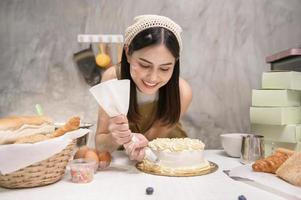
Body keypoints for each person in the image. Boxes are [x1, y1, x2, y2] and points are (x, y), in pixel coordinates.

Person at [95, 15, 192, 162]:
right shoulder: (113, 80)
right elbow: (101, 146)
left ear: (175, 62)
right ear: (128, 53)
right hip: (127, 166)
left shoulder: (182, 92)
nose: (153, 78)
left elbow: (152, 139)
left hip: (171, 163)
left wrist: (138, 144)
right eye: (145, 65)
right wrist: (116, 137)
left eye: (165, 68)